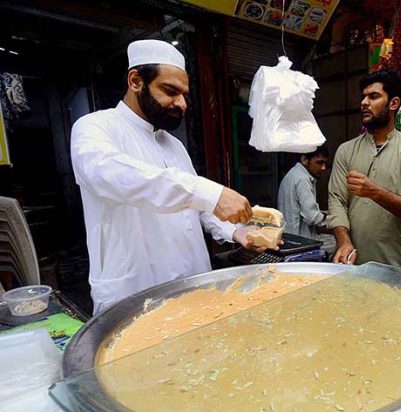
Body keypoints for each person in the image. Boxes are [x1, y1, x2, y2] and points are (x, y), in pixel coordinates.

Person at [71, 40, 273, 314]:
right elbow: (114, 176)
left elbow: (197, 206)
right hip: (135, 292)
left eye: (184, 94)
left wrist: (234, 231)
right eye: (170, 91)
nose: (181, 103)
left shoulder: (173, 145)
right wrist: (210, 193)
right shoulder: (95, 128)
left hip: (192, 287)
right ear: (135, 81)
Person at [327, 70, 401, 267]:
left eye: (373, 96)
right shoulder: (346, 150)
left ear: (394, 103)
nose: (364, 103)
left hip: (393, 266)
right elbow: (337, 201)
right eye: (363, 97)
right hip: (350, 263)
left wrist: (375, 192)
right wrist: (344, 242)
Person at [277, 144, 329, 240]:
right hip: (300, 242)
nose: (323, 168)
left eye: (325, 163)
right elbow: (313, 217)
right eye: (319, 163)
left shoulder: (292, 174)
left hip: (288, 237)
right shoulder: (302, 179)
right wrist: (336, 221)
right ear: (304, 160)